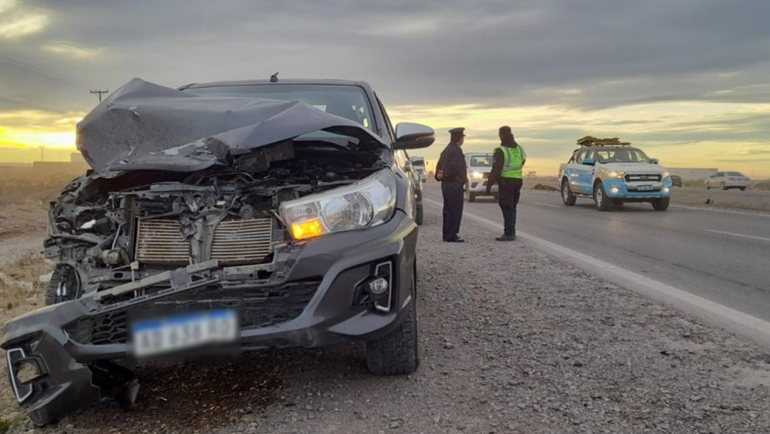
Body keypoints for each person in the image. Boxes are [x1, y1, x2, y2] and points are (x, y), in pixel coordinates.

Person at [486, 126, 526, 241]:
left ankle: (509, 233)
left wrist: (489, 185)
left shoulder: (501, 151)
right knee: (512, 207)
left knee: (506, 207)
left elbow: (496, 169)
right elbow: (523, 161)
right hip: (518, 181)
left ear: (501, 135)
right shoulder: (520, 149)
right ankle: (512, 231)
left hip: (506, 182)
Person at [436, 127, 467, 242]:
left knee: (448, 209)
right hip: (454, 184)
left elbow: (439, 167)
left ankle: (447, 234)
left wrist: (440, 175)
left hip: (446, 184)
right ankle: (452, 234)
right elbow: (455, 168)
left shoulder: (446, 150)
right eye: (462, 137)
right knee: (455, 210)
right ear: (459, 138)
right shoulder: (456, 151)